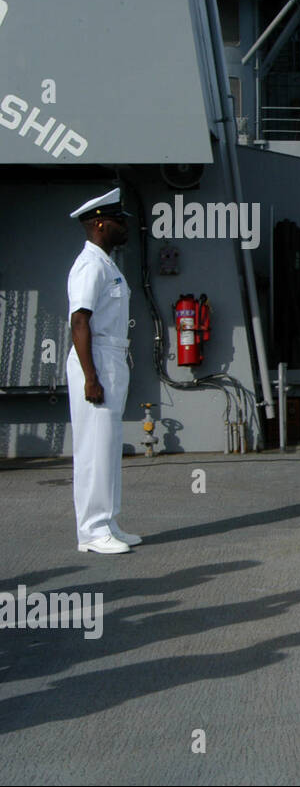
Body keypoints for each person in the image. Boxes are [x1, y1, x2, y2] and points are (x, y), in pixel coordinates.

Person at [66, 188, 138, 554]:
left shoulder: (107, 263)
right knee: (94, 448)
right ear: (99, 224)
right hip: (93, 359)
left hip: (109, 357)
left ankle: (108, 522)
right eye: (117, 220)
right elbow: (80, 320)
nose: (124, 225)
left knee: (107, 445)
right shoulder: (90, 265)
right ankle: (91, 531)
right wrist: (91, 377)